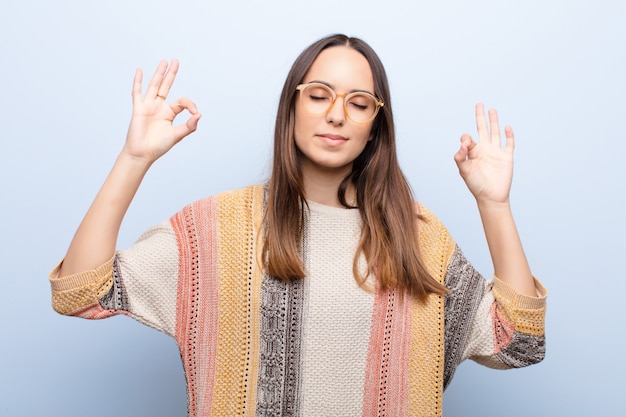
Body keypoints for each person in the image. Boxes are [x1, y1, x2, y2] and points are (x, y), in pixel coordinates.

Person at [49, 34, 547, 416]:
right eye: (319, 95)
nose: (336, 114)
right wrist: (134, 158)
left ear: (375, 125)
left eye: (358, 103)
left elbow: (521, 343)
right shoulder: (217, 229)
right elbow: (79, 290)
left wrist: (494, 205)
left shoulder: (418, 238)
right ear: (291, 104)